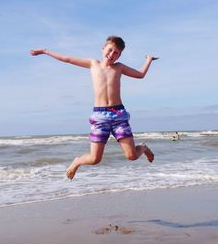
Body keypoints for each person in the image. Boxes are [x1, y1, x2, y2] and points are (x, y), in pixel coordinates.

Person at [30, 36, 157, 179]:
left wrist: (148, 59)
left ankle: (144, 147)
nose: (111, 55)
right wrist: (45, 51)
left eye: (116, 53)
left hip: (118, 114)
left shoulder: (119, 67)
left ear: (119, 55)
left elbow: (140, 75)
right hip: (100, 117)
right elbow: (67, 59)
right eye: (109, 50)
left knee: (132, 156)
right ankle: (77, 161)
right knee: (95, 159)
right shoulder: (93, 64)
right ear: (103, 49)